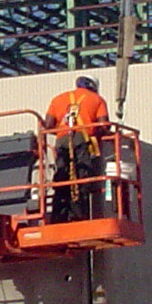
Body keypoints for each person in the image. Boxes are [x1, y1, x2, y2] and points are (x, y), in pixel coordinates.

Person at [43, 76, 110, 221]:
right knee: (81, 177)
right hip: (82, 141)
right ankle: (79, 216)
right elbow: (104, 125)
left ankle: (58, 217)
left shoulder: (58, 99)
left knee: (62, 178)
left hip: (61, 141)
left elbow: (48, 125)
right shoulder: (97, 100)